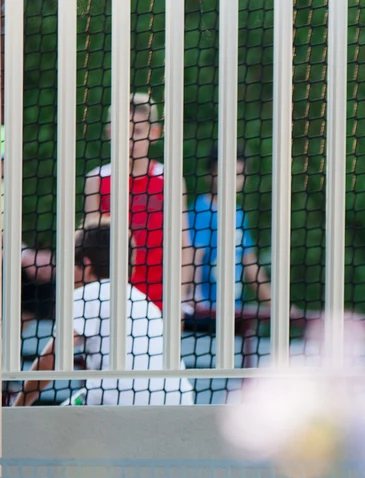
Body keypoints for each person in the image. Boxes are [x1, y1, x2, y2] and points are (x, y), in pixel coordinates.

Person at [15, 222, 189, 406]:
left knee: (49, 428)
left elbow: (53, 358)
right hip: (177, 399)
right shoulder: (145, 302)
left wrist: (18, 406)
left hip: (118, 400)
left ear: (85, 265)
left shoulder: (87, 294)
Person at [80, 93, 192, 314]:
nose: (131, 140)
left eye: (138, 132)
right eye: (124, 132)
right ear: (110, 133)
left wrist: (178, 298)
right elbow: (89, 245)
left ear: (155, 133)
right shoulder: (97, 179)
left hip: (160, 298)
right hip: (111, 298)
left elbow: (184, 245)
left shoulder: (170, 180)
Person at [188, 144, 273, 315]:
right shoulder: (202, 210)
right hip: (204, 314)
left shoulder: (239, 215)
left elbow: (250, 265)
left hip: (233, 312)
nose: (231, 180)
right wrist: (193, 297)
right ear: (210, 174)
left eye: (237, 175)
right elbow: (193, 257)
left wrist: (275, 306)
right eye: (224, 173)